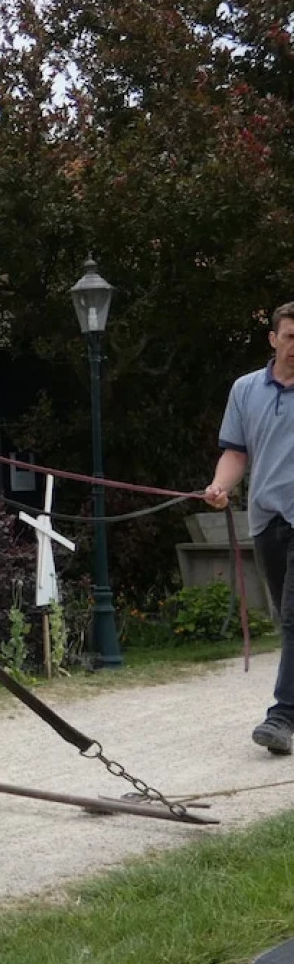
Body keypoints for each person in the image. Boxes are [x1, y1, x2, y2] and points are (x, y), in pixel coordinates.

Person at [204, 301, 294, 755]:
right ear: (273, 339)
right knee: (286, 618)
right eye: (292, 336)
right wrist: (220, 486)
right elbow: (236, 453)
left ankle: (282, 717)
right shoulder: (245, 390)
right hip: (266, 518)